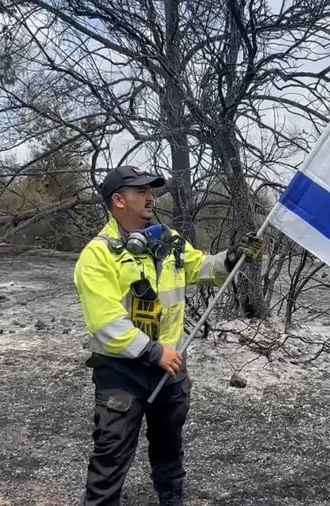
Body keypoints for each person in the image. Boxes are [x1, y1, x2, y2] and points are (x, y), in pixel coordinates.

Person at [73, 165, 263, 506]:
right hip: (122, 372)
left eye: (151, 190)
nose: (150, 197)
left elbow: (200, 267)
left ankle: (171, 497)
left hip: (171, 367)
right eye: (141, 191)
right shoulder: (97, 256)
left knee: (169, 446)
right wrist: (153, 352)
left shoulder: (169, 240)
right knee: (111, 455)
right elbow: (106, 322)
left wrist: (232, 258)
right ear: (118, 200)